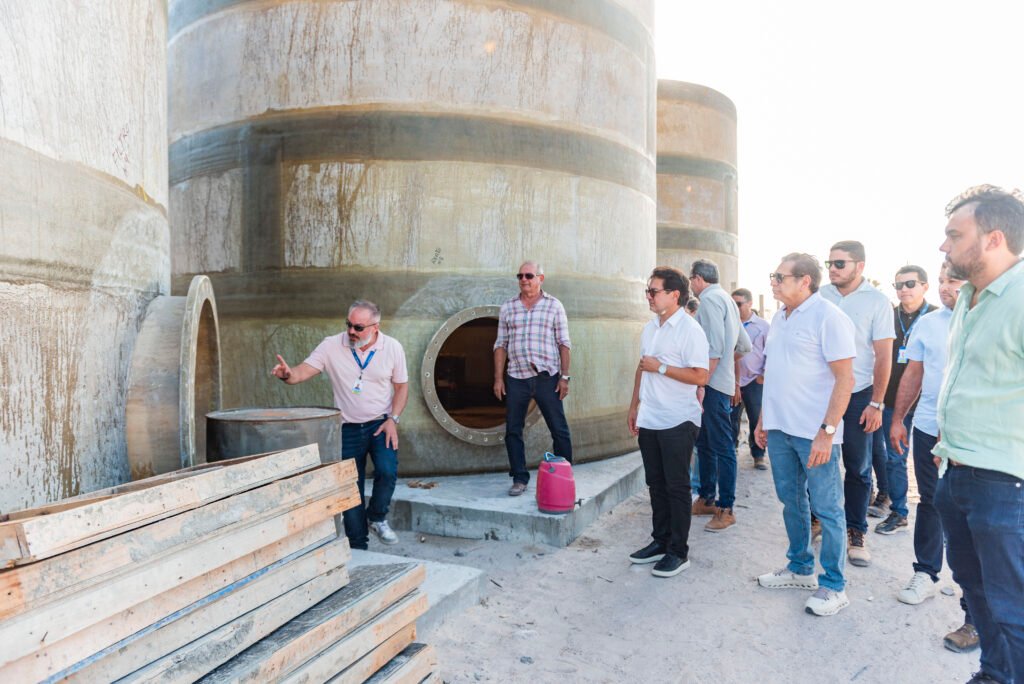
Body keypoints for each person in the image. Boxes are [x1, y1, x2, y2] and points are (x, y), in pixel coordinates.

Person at [933, 185, 1024, 684]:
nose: (943, 247)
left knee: (1014, 608)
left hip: (1005, 485)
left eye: (953, 235)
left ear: (992, 239)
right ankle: (994, 675)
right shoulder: (968, 299)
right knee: (977, 592)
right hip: (956, 473)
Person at [754, 253, 855, 617]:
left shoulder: (829, 317)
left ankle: (834, 586)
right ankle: (799, 567)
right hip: (780, 429)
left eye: (780, 277)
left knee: (828, 509)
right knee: (791, 501)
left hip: (814, 433)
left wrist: (827, 432)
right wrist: (764, 418)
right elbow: (775, 371)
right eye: (773, 276)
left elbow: (846, 378)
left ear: (805, 281)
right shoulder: (779, 318)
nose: (773, 282)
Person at [889, 262, 978, 653]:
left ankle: (976, 616)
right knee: (930, 502)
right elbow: (914, 373)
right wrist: (898, 419)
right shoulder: (929, 324)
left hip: (976, 440)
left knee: (976, 520)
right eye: (941, 281)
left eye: (952, 280)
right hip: (927, 430)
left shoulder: (991, 318)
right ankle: (925, 573)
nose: (945, 288)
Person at [271, 300, 409, 549]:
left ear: (375, 327)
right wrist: (287, 375)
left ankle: (377, 517)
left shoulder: (393, 348)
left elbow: (401, 387)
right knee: (350, 486)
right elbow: (302, 371)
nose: (351, 332)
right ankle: (358, 544)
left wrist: (393, 419)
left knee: (387, 471)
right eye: (348, 325)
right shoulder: (331, 345)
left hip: (381, 423)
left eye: (358, 327)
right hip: (347, 428)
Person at [627, 267, 710, 577]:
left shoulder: (690, 331)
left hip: (678, 419)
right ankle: (659, 541)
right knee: (655, 484)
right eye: (647, 291)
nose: (648, 296)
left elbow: (701, 375)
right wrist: (634, 405)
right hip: (650, 416)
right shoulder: (651, 328)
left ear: (674, 295)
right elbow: (641, 368)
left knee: (676, 487)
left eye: (654, 291)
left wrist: (661, 368)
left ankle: (679, 551)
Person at [819, 240, 895, 568]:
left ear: (859, 266)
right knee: (817, 459)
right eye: (830, 264)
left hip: (860, 394)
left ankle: (856, 531)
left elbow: (883, 356)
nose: (833, 269)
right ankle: (817, 518)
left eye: (840, 264)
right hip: (821, 392)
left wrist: (877, 403)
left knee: (859, 466)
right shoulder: (820, 296)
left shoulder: (877, 302)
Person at [493, 261, 573, 496]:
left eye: (529, 275)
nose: (524, 279)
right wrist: (498, 378)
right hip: (516, 377)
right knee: (513, 430)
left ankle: (564, 474)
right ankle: (519, 478)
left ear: (541, 278)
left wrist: (564, 377)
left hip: (547, 377)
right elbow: (500, 345)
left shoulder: (554, 306)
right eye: (520, 276)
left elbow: (564, 343)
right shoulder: (508, 307)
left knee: (559, 429)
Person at [873, 265, 937, 535]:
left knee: (935, 461)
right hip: (893, 400)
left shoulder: (938, 317)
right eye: (898, 285)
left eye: (910, 283)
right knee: (895, 458)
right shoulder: (888, 315)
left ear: (925, 286)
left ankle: (938, 516)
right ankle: (899, 512)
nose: (903, 289)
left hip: (928, 402)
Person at [689, 259, 743, 532]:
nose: (691, 285)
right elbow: (742, 344)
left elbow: (715, 347)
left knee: (721, 446)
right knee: (707, 444)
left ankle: (726, 508)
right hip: (719, 383)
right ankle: (707, 498)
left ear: (698, 279)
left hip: (711, 386)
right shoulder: (728, 300)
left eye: (691, 280)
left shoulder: (709, 300)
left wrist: (703, 382)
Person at [730, 288, 771, 470]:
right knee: (731, 417)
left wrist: (763, 375)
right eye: (733, 304)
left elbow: (770, 352)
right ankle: (731, 450)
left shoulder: (763, 326)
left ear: (749, 304)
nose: (736, 308)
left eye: (738, 304)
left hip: (755, 379)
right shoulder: (729, 323)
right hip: (732, 380)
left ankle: (758, 454)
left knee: (756, 417)